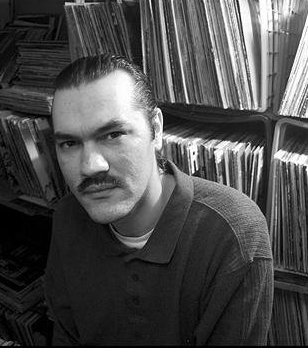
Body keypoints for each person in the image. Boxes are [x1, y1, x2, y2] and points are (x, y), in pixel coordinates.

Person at [45, 53, 274, 345]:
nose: (91, 166)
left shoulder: (234, 234)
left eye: (113, 134)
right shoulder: (68, 216)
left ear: (156, 129)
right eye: (69, 143)